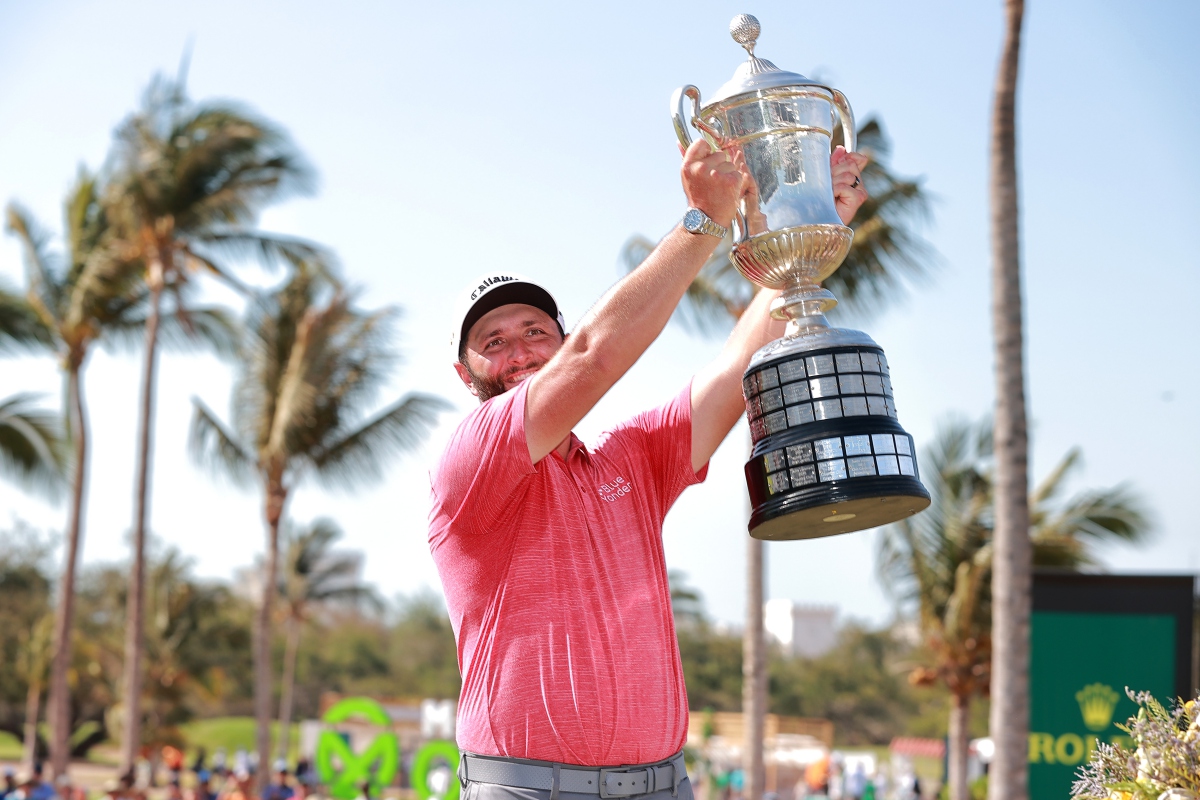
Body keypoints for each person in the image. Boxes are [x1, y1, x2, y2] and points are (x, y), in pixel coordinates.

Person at [429, 136, 868, 800]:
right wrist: (704, 222)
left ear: (559, 336)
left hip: (664, 786)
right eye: (493, 342)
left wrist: (814, 229)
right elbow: (594, 358)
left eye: (535, 331)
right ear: (466, 377)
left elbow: (732, 373)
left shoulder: (628, 460)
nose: (518, 350)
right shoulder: (471, 460)